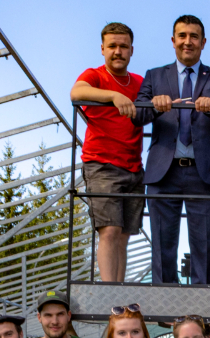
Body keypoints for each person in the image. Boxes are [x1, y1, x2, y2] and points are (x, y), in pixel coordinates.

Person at [133, 15, 210, 285]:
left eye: (193, 36)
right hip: (162, 173)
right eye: (182, 36)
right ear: (173, 41)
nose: (187, 42)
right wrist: (155, 105)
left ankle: (201, 310)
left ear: (203, 42)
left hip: (204, 175)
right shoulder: (154, 76)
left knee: (204, 246)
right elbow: (136, 115)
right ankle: (165, 307)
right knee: (162, 244)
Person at [70, 22, 145, 282]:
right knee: (110, 230)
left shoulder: (139, 82)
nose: (117, 51)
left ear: (131, 50)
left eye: (123, 46)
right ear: (102, 49)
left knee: (124, 234)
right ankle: (109, 292)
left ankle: (119, 292)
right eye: (112, 46)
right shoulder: (95, 75)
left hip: (134, 167)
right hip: (102, 164)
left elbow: (156, 104)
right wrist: (113, 95)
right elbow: (76, 92)